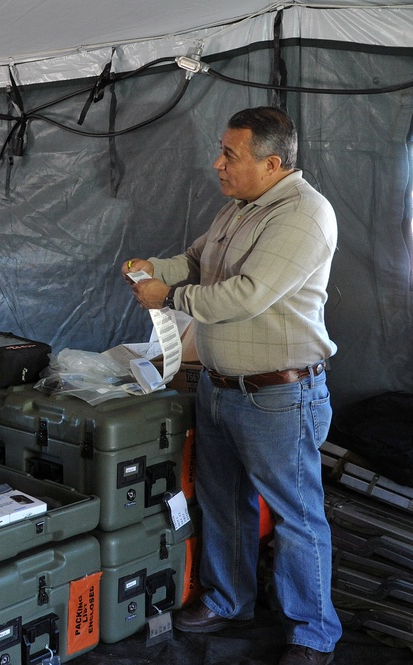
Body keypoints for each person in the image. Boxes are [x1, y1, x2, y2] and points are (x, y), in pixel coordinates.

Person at [122, 107, 340, 665]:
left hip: (278, 396)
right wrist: (160, 269)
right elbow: (197, 260)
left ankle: (313, 634)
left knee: (296, 517)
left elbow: (243, 294)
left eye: (231, 156)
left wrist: (166, 296)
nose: (218, 164)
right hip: (221, 390)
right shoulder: (240, 208)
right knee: (223, 504)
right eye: (221, 151)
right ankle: (227, 601)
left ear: (272, 163)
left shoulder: (304, 215)